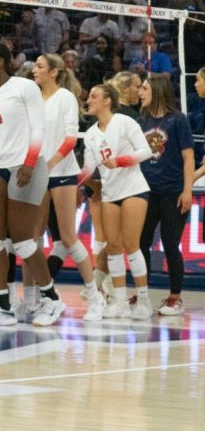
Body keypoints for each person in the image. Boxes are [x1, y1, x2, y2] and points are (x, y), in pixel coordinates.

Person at [0, 42, 63, 326]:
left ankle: (52, 299)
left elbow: (39, 127)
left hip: (27, 164)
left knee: (21, 239)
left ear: (1, 61)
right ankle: (2, 305)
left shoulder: (24, 87)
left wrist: (30, 161)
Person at [31, 54, 105, 321]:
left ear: (54, 71)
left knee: (68, 237)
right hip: (38, 172)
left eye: (39, 66)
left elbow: (71, 139)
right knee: (32, 238)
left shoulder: (65, 98)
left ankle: (95, 298)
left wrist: (48, 165)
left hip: (61, 172)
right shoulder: (33, 98)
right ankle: (35, 299)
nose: (34, 70)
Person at [77, 84, 153, 319]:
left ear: (108, 100)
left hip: (134, 189)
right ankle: (119, 302)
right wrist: (72, 180)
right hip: (109, 193)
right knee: (112, 247)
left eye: (94, 95)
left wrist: (120, 161)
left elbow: (146, 151)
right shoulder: (90, 134)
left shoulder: (124, 122)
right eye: (89, 96)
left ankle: (143, 301)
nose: (89, 99)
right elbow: (89, 167)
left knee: (131, 244)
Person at [136, 74, 194, 316]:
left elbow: (188, 157)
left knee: (171, 244)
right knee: (141, 244)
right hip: (147, 193)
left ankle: (175, 297)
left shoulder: (178, 120)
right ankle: (142, 296)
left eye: (145, 88)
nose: (140, 92)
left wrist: (187, 190)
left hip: (172, 192)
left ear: (157, 90)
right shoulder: (142, 120)